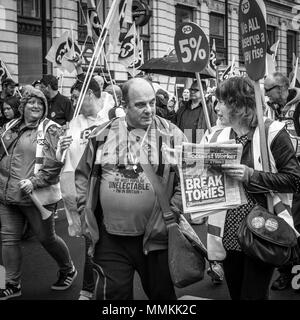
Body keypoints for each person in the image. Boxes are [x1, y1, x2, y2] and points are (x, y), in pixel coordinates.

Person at [75, 77, 186, 300]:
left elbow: (189, 178)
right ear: (124, 106)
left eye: (152, 103)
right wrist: (83, 213)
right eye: (140, 104)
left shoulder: (171, 134)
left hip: (156, 238)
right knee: (112, 298)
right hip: (110, 238)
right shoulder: (101, 135)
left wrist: (172, 212)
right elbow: (82, 176)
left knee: (162, 297)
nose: (149, 110)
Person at [206, 76, 300, 300]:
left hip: (262, 230)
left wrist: (251, 176)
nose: (216, 108)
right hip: (228, 231)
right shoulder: (216, 135)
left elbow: (293, 179)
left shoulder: (273, 132)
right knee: (237, 293)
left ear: (238, 105)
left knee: (253, 295)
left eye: (221, 102)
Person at [0, 86, 77, 300]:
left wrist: (34, 182)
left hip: (36, 197)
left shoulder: (52, 130)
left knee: (46, 238)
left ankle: (68, 268)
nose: (36, 106)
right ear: (23, 106)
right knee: (8, 239)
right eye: (31, 102)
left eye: (40, 103)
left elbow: (54, 164)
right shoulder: (9, 127)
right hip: (7, 196)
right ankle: (11, 283)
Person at [58, 77, 109, 300]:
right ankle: (88, 289)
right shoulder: (73, 124)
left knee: (113, 243)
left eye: (77, 97)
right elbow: (64, 162)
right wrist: (61, 149)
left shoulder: (113, 114)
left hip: (111, 189)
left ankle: (111, 287)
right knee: (90, 241)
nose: (74, 102)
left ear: (89, 94)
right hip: (86, 193)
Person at [264, 72, 300, 291]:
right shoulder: (272, 109)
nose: (266, 95)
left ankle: (292, 273)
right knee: (281, 223)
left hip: (295, 178)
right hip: (278, 177)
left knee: (293, 226)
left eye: (268, 90)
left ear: (281, 88)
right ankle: (287, 270)